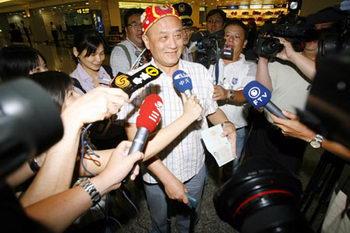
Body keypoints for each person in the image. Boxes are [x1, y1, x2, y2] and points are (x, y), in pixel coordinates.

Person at [118, 5, 236, 233]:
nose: (173, 44)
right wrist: (168, 179)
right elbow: (137, 144)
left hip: (195, 167)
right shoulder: (135, 82)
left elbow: (210, 110)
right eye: (163, 37)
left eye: (177, 35)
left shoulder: (199, 71)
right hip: (157, 173)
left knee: (186, 220)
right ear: (147, 40)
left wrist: (226, 123)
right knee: (160, 223)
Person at [245, 36, 317, 174]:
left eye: (317, 36)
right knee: (254, 174)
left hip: (296, 135)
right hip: (266, 130)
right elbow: (262, 93)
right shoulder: (282, 59)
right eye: (310, 34)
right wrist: (263, 59)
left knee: (284, 179)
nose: (311, 39)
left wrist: (293, 57)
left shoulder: (330, 69)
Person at [208, 19, 256, 163]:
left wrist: (227, 94)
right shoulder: (212, 62)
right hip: (209, 124)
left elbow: (247, 94)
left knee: (231, 166)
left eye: (236, 37)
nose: (230, 40)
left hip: (235, 127)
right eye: (227, 36)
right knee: (209, 164)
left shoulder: (250, 67)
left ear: (245, 43)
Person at [110, 8, 145, 76]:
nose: (140, 29)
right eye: (134, 25)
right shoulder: (120, 52)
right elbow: (123, 84)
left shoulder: (151, 48)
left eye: (142, 24)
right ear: (126, 29)